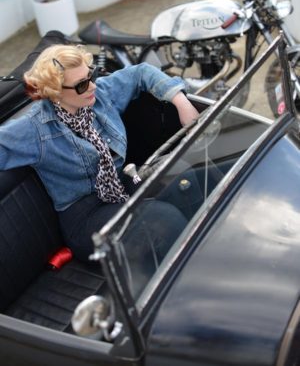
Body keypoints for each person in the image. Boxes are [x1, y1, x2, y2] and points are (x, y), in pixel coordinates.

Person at [0, 44, 199, 270]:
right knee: (164, 220)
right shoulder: (34, 129)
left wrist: (181, 102)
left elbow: (141, 72)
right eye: (82, 84)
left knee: (189, 178)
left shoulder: (98, 95)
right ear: (54, 91)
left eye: (90, 75)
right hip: (86, 217)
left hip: (118, 185)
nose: (92, 85)